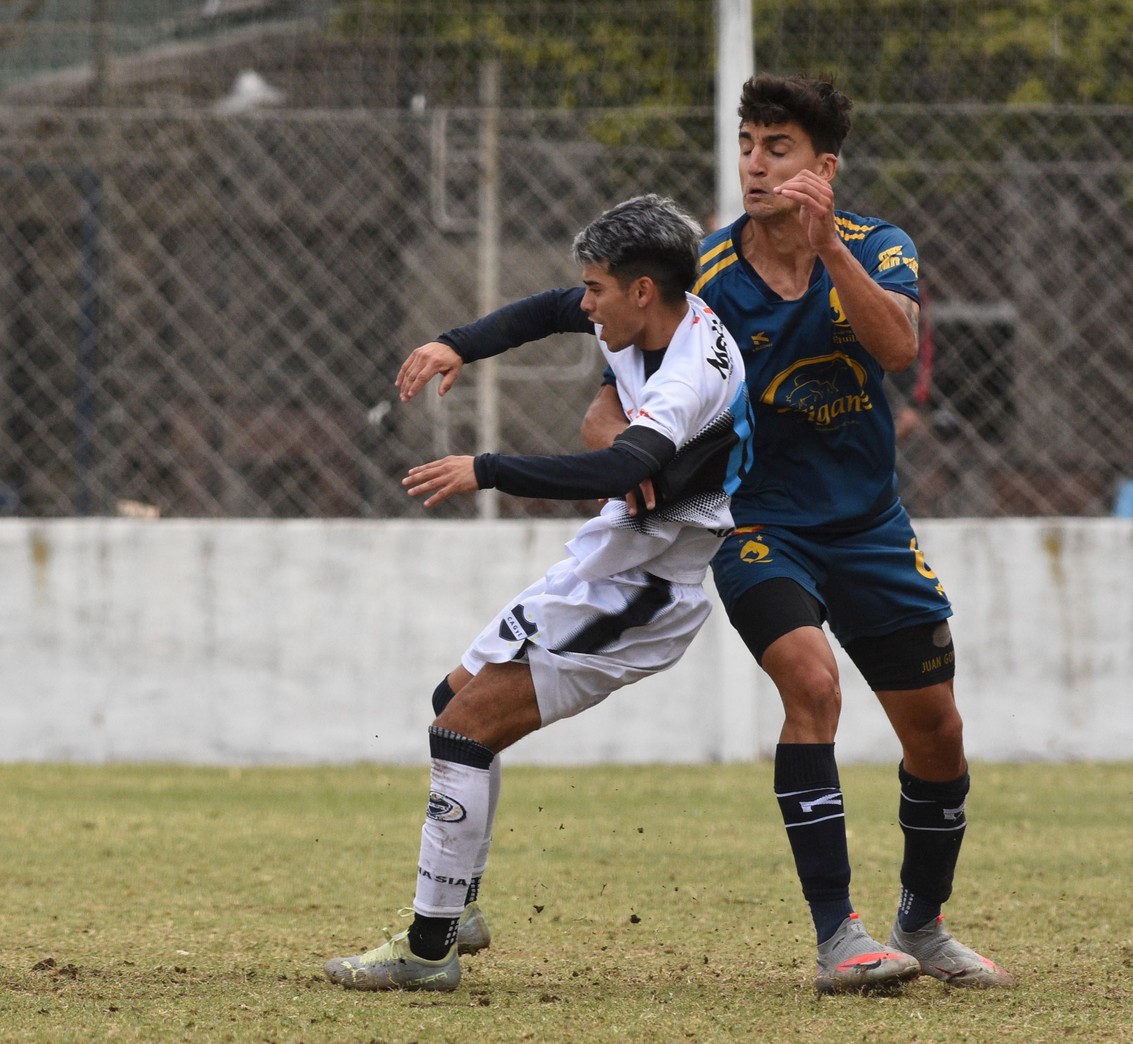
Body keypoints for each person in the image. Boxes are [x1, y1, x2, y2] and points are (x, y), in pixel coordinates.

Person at [402, 74, 1012, 993]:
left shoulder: (877, 247)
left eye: (778, 148)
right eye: (746, 144)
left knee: (936, 735)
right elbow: (605, 412)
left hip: (869, 526)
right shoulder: (706, 278)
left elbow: (895, 349)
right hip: (755, 527)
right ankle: (839, 938)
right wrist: (638, 460)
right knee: (811, 685)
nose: (755, 165)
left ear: (822, 167)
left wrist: (826, 248)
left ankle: (921, 926)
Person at [324, 195, 752, 992]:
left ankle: (427, 950)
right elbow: (548, 311)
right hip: (605, 563)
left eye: (596, 288)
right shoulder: (651, 318)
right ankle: (458, 909)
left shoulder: (689, 372)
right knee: (452, 702)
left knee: (461, 732)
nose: (583, 304)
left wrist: (485, 468)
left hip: (641, 594)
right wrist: (454, 344)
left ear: (642, 291)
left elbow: (621, 465)